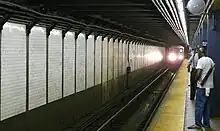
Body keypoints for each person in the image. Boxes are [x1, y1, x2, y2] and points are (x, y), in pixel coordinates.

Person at [188, 46, 215, 129]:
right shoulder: (211, 60)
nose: (198, 55)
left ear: (201, 53)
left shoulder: (201, 60)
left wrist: (195, 81)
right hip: (210, 87)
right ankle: (206, 123)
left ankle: (198, 124)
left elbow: (198, 73)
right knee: (207, 106)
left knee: (199, 106)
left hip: (202, 87)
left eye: (199, 53)